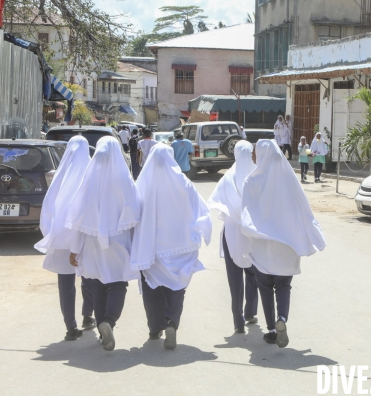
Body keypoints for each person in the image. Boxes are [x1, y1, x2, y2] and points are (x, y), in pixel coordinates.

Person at [241, 139, 327, 348]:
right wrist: (311, 233)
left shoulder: (251, 181)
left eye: (254, 152)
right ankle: (282, 319)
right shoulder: (290, 180)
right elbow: (303, 209)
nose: (252, 156)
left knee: (264, 286)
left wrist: (250, 230)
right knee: (283, 286)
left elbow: (246, 212)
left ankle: (271, 330)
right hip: (287, 244)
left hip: (262, 245)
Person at [131, 144, 212, 349]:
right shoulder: (184, 183)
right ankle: (172, 323)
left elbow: (133, 213)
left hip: (153, 249)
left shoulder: (143, 184)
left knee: (152, 287)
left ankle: (155, 327)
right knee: (177, 287)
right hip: (181, 247)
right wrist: (201, 232)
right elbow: (201, 210)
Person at [66, 136, 141, 351]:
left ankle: (101, 328)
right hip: (118, 239)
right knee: (118, 283)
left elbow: (79, 216)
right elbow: (134, 211)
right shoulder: (124, 178)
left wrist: (74, 249)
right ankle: (109, 321)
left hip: (90, 242)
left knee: (97, 284)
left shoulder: (89, 179)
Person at [34, 135, 96, 341]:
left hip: (62, 239)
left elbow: (48, 210)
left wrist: (52, 236)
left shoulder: (60, 177)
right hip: (86, 236)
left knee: (65, 282)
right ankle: (88, 315)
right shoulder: (91, 172)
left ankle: (71, 327)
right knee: (89, 278)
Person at [208, 141, 259, 334]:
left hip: (232, 234)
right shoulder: (258, 175)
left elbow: (215, 201)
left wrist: (229, 213)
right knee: (254, 274)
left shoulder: (228, 177)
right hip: (253, 233)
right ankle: (251, 312)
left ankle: (238, 321)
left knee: (234, 278)